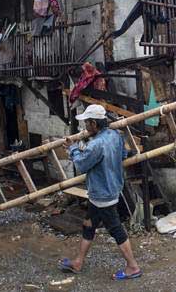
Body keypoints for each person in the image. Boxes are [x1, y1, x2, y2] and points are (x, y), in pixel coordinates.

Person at [58, 104, 142, 280]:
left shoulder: (96, 144)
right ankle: (78, 262)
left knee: (116, 229)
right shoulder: (115, 136)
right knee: (89, 224)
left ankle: (133, 267)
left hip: (103, 194)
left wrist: (72, 148)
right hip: (107, 190)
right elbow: (124, 156)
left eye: (87, 123)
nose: (85, 127)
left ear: (94, 124)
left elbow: (81, 165)